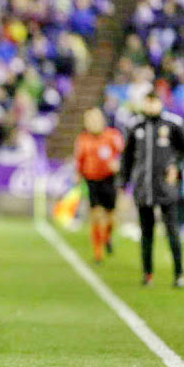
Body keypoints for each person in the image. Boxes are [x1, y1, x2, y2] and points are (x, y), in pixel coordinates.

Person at [121, 91, 184, 287]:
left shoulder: (173, 124)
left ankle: (178, 274)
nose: (151, 106)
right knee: (146, 233)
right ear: (143, 103)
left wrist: (176, 168)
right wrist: (123, 182)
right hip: (144, 187)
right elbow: (127, 157)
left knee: (172, 231)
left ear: (160, 103)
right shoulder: (135, 125)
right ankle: (147, 274)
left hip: (166, 187)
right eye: (147, 102)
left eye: (154, 102)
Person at [74, 107, 124, 263]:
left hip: (109, 179)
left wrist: (118, 165)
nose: (93, 123)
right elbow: (79, 160)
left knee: (111, 217)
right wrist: (78, 174)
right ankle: (98, 252)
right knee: (95, 214)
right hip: (92, 180)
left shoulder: (112, 136)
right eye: (89, 120)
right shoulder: (82, 139)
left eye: (95, 119)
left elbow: (124, 154)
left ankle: (107, 236)